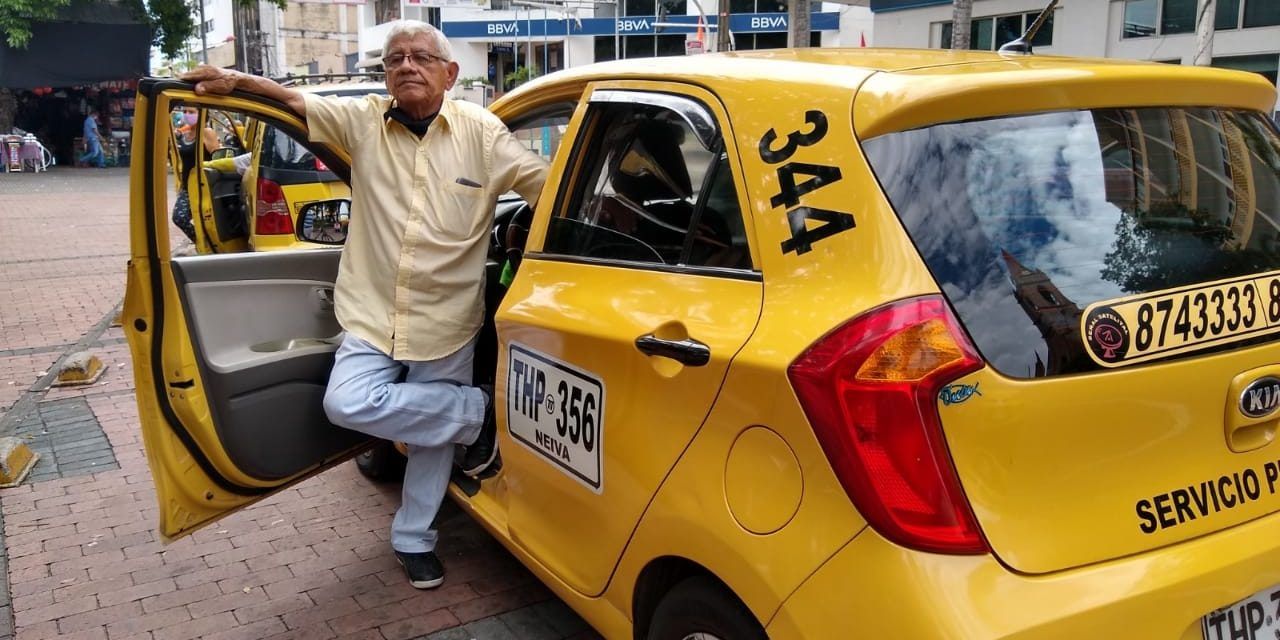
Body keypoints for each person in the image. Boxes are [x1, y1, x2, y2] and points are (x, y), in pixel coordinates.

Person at [181, 19, 548, 590]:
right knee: (347, 403)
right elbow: (291, 98)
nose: (406, 66)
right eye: (395, 58)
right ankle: (477, 412)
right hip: (372, 309)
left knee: (429, 437)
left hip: (448, 314)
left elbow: (542, 185)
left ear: (449, 74)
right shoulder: (363, 121)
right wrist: (238, 81)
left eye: (421, 57)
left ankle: (415, 538)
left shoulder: (483, 133)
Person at [171, 107, 220, 242]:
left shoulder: (206, 132)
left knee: (189, 218)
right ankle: (201, 242)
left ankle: (205, 244)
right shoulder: (185, 134)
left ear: (202, 114)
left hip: (202, 185)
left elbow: (217, 157)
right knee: (179, 218)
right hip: (187, 186)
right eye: (185, 111)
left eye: (191, 112)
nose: (187, 115)